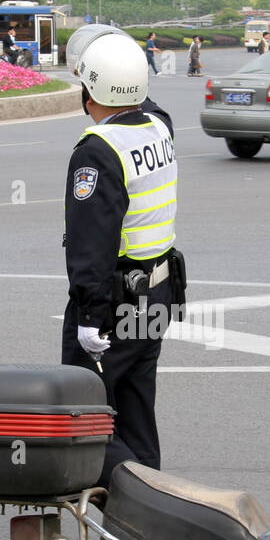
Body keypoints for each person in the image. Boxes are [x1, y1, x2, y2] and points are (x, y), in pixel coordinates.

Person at [61, 33, 181, 488]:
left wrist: (89, 316)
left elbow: (92, 243)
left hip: (114, 305)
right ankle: (155, 512)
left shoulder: (98, 151)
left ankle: (136, 501)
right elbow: (141, 100)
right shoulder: (159, 126)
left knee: (86, 416)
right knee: (134, 408)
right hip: (157, 295)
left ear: (89, 93)